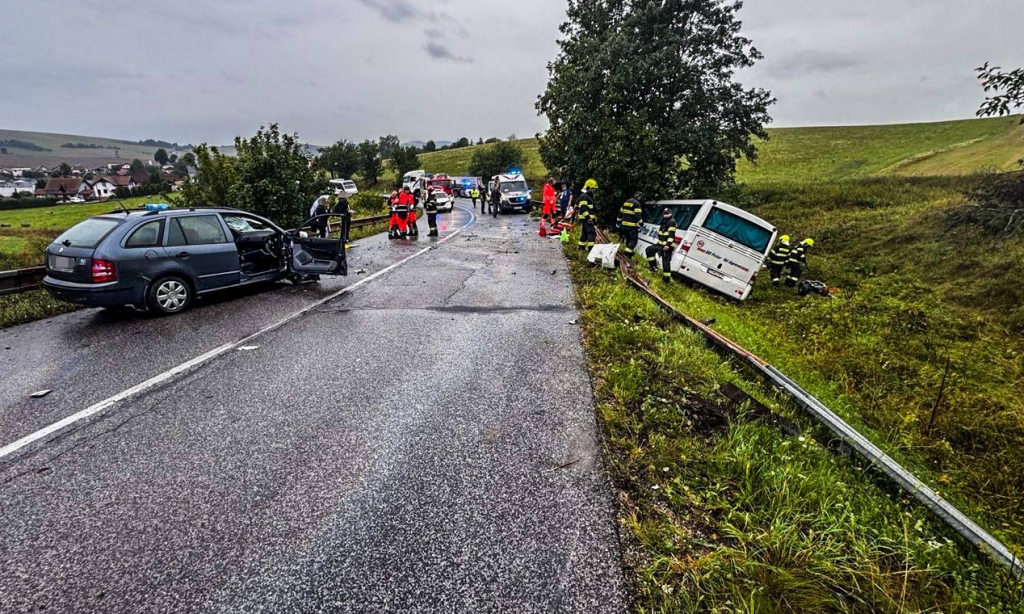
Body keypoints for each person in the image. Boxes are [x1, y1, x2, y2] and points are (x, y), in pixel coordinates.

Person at [646, 208, 677, 282]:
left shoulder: (672, 222)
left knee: (665, 261)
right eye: (664, 213)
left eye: (667, 213)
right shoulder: (664, 221)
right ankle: (653, 268)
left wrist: (667, 245)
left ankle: (666, 278)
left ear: (671, 213)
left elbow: (671, 235)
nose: (665, 215)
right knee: (649, 250)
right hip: (660, 244)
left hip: (667, 246)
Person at [616, 191, 644, 258]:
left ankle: (629, 255)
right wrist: (641, 223)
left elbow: (620, 213)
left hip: (624, 226)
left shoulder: (626, 202)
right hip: (632, 227)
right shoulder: (637, 204)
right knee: (633, 241)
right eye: (641, 197)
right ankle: (626, 254)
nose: (640, 198)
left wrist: (618, 222)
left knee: (628, 240)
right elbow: (638, 216)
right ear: (639, 196)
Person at [576, 179, 598, 250]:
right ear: (588, 187)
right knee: (591, 233)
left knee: (585, 233)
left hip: (587, 218)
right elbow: (583, 208)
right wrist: (588, 218)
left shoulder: (588, 196)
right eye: (593, 188)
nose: (594, 190)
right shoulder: (584, 196)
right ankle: (591, 248)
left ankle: (581, 246)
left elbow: (591, 208)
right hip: (586, 218)